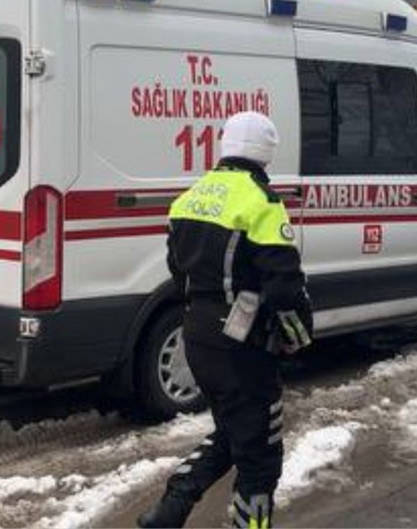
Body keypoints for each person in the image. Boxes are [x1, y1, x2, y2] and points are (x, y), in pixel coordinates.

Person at [139, 111, 313, 529]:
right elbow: (285, 287)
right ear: (267, 152)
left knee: (234, 431)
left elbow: (178, 271)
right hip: (242, 346)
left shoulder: (190, 198)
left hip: (197, 333)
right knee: (261, 455)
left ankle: (170, 508)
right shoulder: (261, 202)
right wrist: (300, 336)